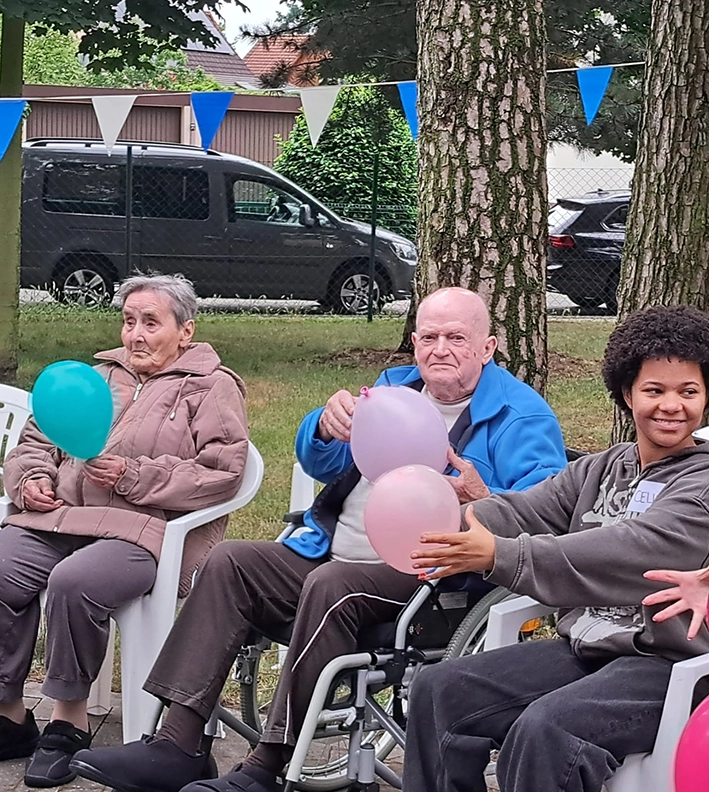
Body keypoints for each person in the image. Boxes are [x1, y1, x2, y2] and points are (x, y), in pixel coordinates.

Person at [71, 286, 566, 792]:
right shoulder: (394, 388)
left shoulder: (521, 417)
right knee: (230, 561)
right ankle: (176, 745)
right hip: (331, 550)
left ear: (489, 347)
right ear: (414, 342)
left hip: (430, 579)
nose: (440, 349)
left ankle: (267, 766)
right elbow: (322, 463)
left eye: (457, 337)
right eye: (430, 337)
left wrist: (482, 500)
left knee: (332, 585)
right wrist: (325, 430)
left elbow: (548, 517)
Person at [402, 304, 709, 792]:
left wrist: (500, 555)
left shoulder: (702, 482)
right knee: (440, 690)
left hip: (664, 665)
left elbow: (633, 548)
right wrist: (453, 521)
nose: (670, 405)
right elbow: (527, 510)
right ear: (627, 394)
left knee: (545, 729)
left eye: (687, 391)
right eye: (654, 390)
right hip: (585, 647)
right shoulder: (600, 469)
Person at [0, 273, 249, 788]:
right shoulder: (95, 377)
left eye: (150, 323)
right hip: (59, 517)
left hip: (141, 530)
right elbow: (33, 441)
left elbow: (223, 470)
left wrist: (137, 476)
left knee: (75, 582)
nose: (135, 334)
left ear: (185, 330)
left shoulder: (212, 386)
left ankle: (67, 723)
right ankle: (10, 713)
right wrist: (32, 479)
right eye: (129, 320)